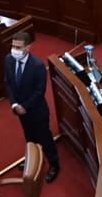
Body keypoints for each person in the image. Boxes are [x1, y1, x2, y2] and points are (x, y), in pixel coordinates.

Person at [5, 31, 60, 183]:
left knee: (44, 138)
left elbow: (39, 91)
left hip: (37, 110)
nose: (14, 50)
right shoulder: (8, 60)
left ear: (28, 47)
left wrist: (25, 106)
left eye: (18, 47)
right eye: (13, 46)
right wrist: (14, 104)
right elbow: (8, 83)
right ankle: (33, 159)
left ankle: (54, 164)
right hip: (20, 110)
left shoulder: (37, 66)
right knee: (29, 137)